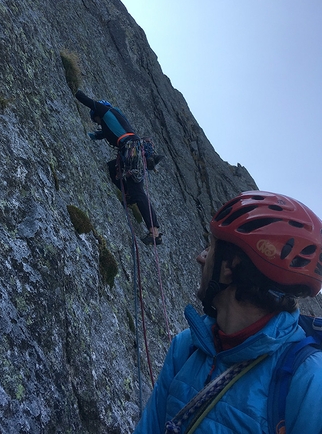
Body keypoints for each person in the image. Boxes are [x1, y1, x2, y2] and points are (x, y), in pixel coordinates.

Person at [133, 190, 322, 434]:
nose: (200, 257)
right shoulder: (187, 347)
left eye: (210, 247)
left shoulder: (308, 381)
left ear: (229, 268)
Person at [75, 89, 163, 245]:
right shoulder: (113, 121)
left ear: (98, 113)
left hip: (131, 150)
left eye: (96, 119)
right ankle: (128, 197)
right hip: (130, 150)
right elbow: (98, 135)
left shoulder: (106, 111)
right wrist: (85, 135)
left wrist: (76, 92)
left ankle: (154, 232)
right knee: (111, 169)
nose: (97, 122)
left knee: (138, 190)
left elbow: (87, 100)